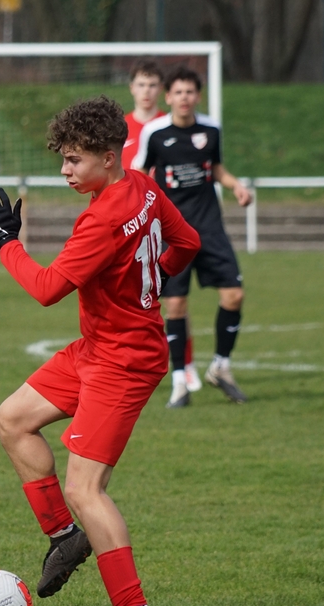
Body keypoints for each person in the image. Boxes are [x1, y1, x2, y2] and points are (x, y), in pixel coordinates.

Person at [0, 95, 199, 606]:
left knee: (85, 486)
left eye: (74, 159)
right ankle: (64, 537)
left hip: (123, 362)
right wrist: (154, 283)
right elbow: (186, 242)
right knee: (12, 420)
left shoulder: (102, 218)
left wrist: (7, 243)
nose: (65, 169)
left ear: (107, 156)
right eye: (63, 157)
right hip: (98, 348)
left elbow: (47, 288)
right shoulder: (144, 187)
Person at [133, 65, 254, 408]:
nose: (184, 98)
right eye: (178, 92)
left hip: (209, 226)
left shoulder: (211, 129)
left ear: (198, 96)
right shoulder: (155, 133)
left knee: (234, 295)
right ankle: (179, 382)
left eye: (190, 92)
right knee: (175, 305)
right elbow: (141, 173)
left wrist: (236, 186)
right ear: (168, 97)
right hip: (172, 231)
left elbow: (217, 169)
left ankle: (221, 366)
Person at [124, 60, 202, 395]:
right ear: (132, 88)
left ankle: (185, 364)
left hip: (160, 226)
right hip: (125, 228)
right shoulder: (119, 128)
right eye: (141, 84)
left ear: (162, 90)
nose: (147, 91)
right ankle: (131, 364)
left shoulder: (169, 125)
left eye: (153, 85)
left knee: (173, 300)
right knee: (126, 300)